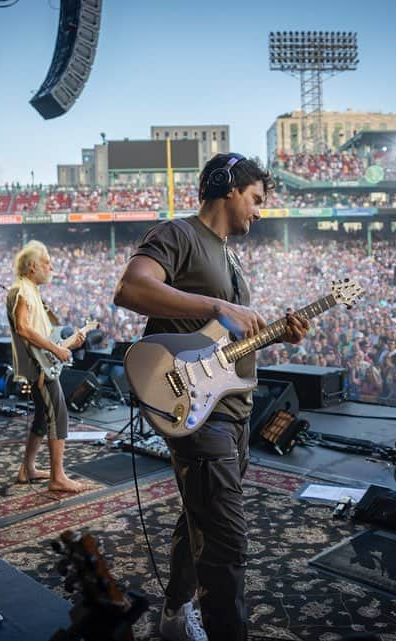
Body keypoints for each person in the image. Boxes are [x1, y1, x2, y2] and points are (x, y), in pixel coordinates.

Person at [113, 153, 310, 641]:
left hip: (233, 410)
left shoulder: (229, 255)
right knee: (227, 541)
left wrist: (275, 335)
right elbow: (131, 289)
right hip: (199, 415)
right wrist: (221, 304)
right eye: (256, 199)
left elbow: (218, 341)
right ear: (228, 188)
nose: (260, 212)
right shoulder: (178, 234)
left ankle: (175, 613)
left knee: (200, 518)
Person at [7, 240, 87, 492]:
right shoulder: (22, 291)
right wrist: (55, 349)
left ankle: (28, 469)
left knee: (43, 416)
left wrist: (67, 343)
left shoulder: (30, 290)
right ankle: (58, 477)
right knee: (58, 416)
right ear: (32, 266)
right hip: (39, 367)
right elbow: (23, 329)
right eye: (46, 263)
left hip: (41, 364)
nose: (50, 268)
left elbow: (40, 333)